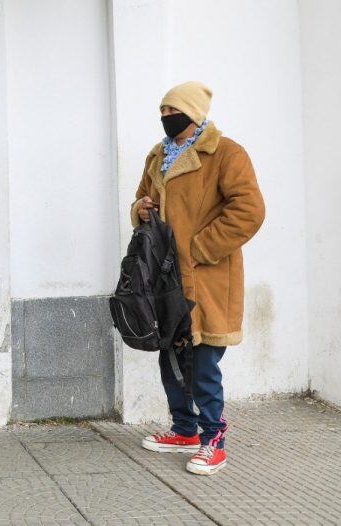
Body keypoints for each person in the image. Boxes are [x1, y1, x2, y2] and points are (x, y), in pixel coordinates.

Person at [132, 81, 265, 475]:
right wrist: (140, 208)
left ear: (194, 113)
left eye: (172, 110)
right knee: (171, 357)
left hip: (207, 278)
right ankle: (185, 430)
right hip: (165, 277)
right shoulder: (158, 156)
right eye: (162, 111)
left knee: (204, 362)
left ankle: (214, 440)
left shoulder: (226, 153)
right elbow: (140, 197)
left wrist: (201, 249)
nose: (165, 117)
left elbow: (250, 210)